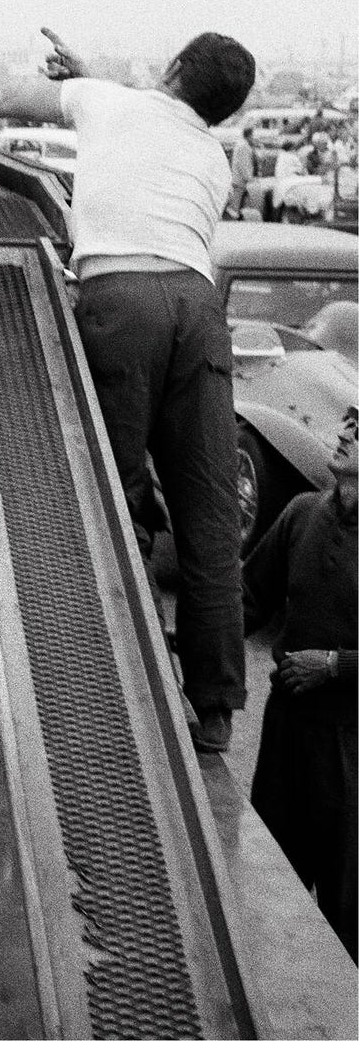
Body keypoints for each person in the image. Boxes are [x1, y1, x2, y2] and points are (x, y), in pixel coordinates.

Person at [0, 26, 256, 754]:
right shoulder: (211, 156)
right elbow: (147, 133)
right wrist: (97, 84)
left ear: (175, 63)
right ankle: (214, 708)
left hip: (119, 301)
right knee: (208, 512)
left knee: (109, 502)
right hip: (196, 302)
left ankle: (125, 682)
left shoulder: (104, 103)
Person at [243, 406, 356, 961]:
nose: (343, 433)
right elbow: (245, 598)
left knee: (346, 909)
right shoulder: (302, 514)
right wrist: (172, 637)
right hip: (284, 734)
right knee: (268, 896)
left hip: (348, 746)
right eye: (347, 421)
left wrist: (334, 665)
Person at [227, 124, 256, 218]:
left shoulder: (240, 144)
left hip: (237, 177)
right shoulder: (244, 146)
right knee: (236, 203)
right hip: (240, 179)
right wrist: (249, 177)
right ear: (250, 135)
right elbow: (244, 164)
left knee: (238, 201)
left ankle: (236, 216)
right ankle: (234, 219)